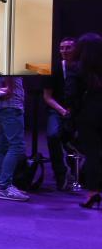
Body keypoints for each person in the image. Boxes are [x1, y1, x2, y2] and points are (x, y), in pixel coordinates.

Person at [66, 32, 102, 209]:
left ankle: (93, 193)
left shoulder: (77, 69)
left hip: (89, 114)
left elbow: (71, 96)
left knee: (93, 154)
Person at [44, 37, 77, 191]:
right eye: (62, 48)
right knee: (52, 135)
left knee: (74, 141)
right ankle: (60, 174)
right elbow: (47, 97)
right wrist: (62, 111)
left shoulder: (81, 68)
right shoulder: (54, 69)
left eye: (68, 47)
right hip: (57, 109)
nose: (64, 51)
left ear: (76, 49)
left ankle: (77, 173)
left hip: (76, 110)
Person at [0, 77, 29, 202]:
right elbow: (8, 88)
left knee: (3, 145)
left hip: (3, 107)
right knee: (16, 146)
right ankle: (4, 187)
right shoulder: (10, 65)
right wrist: (9, 89)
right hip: (11, 107)